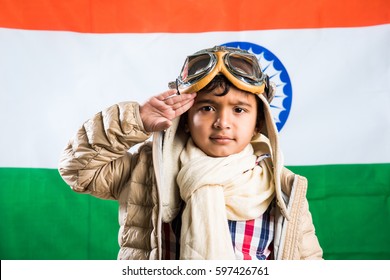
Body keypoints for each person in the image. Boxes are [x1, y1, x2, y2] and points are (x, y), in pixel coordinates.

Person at [58, 46, 323, 260]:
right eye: (207, 108)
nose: (223, 122)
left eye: (239, 110)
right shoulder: (149, 168)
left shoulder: (284, 190)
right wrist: (136, 119)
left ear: (259, 123)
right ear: (185, 117)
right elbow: (78, 170)